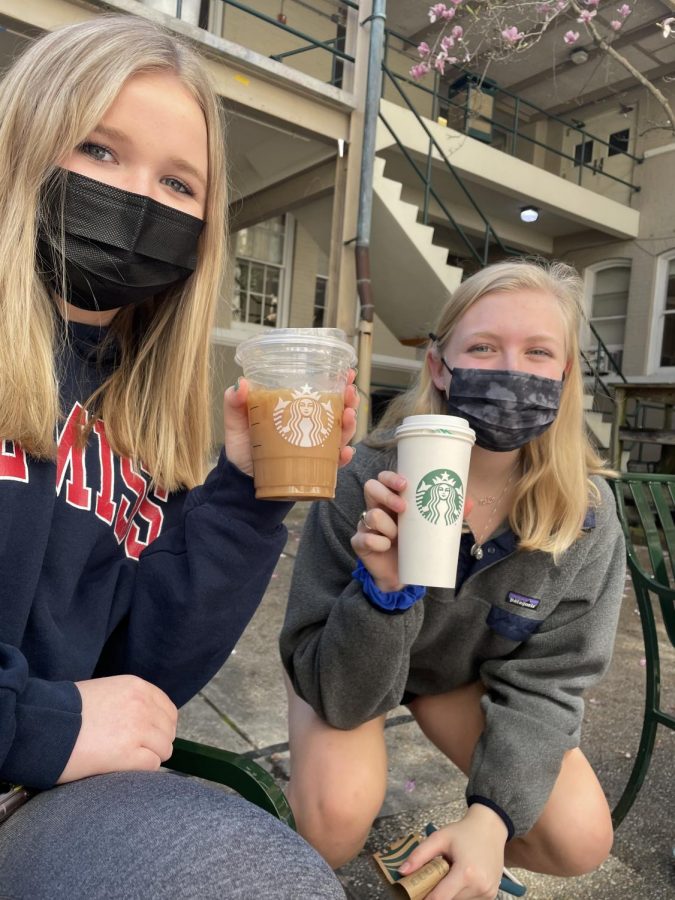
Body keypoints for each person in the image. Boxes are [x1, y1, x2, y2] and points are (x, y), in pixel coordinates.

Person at [0, 15, 357, 899]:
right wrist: (33, 723)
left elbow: (144, 673)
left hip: (37, 802)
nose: (137, 199)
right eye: (97, 148)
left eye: (178, 182)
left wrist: (244, 490)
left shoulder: (132, 421)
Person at [280, 260, 626, 900]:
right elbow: (336, 687)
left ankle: (465, 842)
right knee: (331, 826)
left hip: (451, 682)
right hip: (346, 668)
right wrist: (381, 594)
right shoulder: (365, 475)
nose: (510, 371)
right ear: (440, 365)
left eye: (538, 352)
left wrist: (491, 820)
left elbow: (551, 682)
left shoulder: (586, 518)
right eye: (484, 347)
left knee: (578, 837)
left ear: (565, 375)